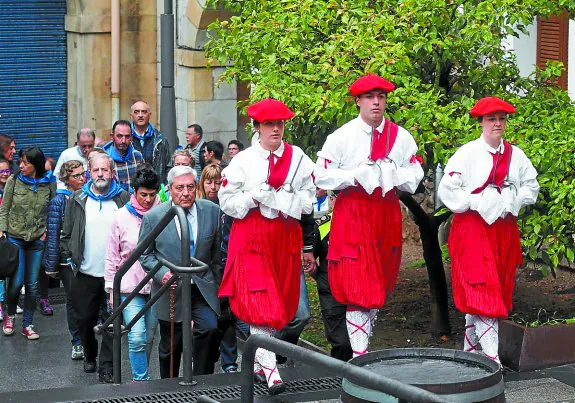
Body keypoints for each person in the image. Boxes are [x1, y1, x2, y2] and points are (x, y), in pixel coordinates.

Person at [313, 74, 424, 358]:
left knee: (379, 283)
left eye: (381, 97)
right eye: (370, 98)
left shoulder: (400, 137)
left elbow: (415, 174)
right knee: (358, 286)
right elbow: (321, 174)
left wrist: (394, 174)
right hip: (353, 213)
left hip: (386, 213)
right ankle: (360, 357)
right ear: (358, 101)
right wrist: (353, 175)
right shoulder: (342, 137)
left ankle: (362, 351)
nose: (376, 103)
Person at [218, 98, 315, 395]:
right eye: (270, 124)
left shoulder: (298, 158)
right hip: (252, 237)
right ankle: (273, 374)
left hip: (284, 238)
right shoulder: (243, 161)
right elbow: (227, 202)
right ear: (257, 127)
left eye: (280, 123)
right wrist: (253, 197)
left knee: (282, 306)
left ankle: (261, 362)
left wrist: (288, 199)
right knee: (262, 306)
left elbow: (311, 199)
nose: (276, 129)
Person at [438, 96, 539, 366]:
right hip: (472, 227)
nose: (497, 123)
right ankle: (492, 361)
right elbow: (447, 190)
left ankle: (469, 355)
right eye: (491, 119)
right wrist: (474, 201)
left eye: (501, 119)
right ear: (481, 122)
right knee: (482, 290)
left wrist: (513, 199)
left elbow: (532, 187)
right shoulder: (467, 153)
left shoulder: (516, 155)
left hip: (504, 230)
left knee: (498, 287)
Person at [139, 165, 222, 377]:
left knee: (209, 329)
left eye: (190, 187)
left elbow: (217, 254)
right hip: (171, 288)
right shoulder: (154, 217)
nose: (185, 193)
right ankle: (169, 387)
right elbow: (145, 255)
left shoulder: (211, 211)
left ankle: (203, 382)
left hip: (202, 286)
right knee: (171, 345)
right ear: (169, 189)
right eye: (179, 188)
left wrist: (219, 285)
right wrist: (161, 273)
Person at [60, 153, 130, 383]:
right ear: (89, 172)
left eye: (105, 170)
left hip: (115, 276)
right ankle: (90, 353)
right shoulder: (78, 199)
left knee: (112, 321)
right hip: (86, 273)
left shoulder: (123, 198)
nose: (101, 174)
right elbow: (66, 233)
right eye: (96, 170)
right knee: (84, 319)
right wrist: (70, 257)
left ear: (112, 172)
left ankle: (107, 366)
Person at [105, 166, 160, 381]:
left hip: (156, 284)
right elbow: (111, 255)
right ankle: (141, 381)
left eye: (152, 195)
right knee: (136, 337)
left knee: (149, 337)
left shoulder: (162, 212)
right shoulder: (119, 216)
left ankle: (141, 375)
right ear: (134, 191)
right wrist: (111, 289)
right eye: (143, 194)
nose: (147, 199)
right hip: (129, 286)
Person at [0, 147, 56, 340]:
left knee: (32, 285)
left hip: (37, 240)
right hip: (15, 238)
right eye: (20, 161)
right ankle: (11, 314)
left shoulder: (48, 183)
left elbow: (52, 209)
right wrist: (2, 233)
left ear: (36, 165)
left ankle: (28, 324)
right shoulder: (14, 181)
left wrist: (46, 232)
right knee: (16, 284)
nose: (21, 165)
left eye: (26, 162)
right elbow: (4, 209)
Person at [43, 160, 87, 360]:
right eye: (76, 175)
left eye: (82, 174)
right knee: (73, 300)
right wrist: (51, 265)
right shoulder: (59, 201)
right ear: (66, 179)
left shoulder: (88, 196)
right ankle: (77, 341)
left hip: (87, 256)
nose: (81, 178)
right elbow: (53, 235)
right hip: (66, 259)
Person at [313, 207, 353, 361]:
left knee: (358, 342)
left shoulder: (361, 220)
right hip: (331, 290)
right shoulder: (324, 225)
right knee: (342, 343)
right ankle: (340, 376)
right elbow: (309, 259)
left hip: (357, 290)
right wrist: (322, 279)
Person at [130, 101, 172, 183]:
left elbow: (168, 166)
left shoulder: (160, 139)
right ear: (131, 116)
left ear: (149, 115)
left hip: (156, 188)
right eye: (136, 112)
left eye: (144, 112)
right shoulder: (126, 139)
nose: (140, 115)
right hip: (133, 189)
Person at [37, 157, 57, 316]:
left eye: (49, 171)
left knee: (43, 267)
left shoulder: (52, 184)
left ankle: (44, 299)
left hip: (44, 230)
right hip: (26, 232)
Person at [103, 120, 144, 192]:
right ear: (112, 137)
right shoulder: (104, 158)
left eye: (127, 136)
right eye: (119, 136)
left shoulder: (137, 156)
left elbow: (144, 182)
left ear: (131, 137)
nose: (123, 140)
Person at [0, 158, 11, 321]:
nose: (4, 174)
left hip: (11, 234)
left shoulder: (12, 188)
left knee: (9, 272)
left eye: (7, 171)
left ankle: (9, 302)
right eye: (1, 171)